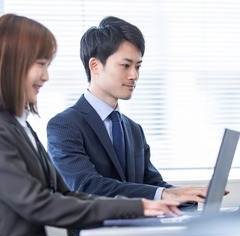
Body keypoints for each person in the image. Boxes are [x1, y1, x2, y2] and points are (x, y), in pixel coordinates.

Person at [0, 13, 182, 236]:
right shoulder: (50, 126)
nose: (46, 76)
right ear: (12, 63)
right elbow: (44, 201)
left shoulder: (22, 126)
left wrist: (172, 198)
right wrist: (138, 205)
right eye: (40, 64)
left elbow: (66, 194)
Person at [47, 16, 210, 206]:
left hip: (142, 230)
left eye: (138, 66)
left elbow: (151, 184)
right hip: (97, 233)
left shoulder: (134, 129)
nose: (134, 75)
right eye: (125, 65)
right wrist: (165, 194)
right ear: (95, 66)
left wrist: (187, 195)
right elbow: (87, 186)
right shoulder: (64, 125)